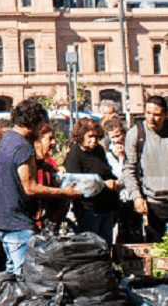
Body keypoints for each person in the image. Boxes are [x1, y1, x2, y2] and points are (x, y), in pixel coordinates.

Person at [0, 100, 80, 275]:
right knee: (25, 275)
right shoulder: (23, 146)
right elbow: (30, 188)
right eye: (41, 125)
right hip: (18, 224)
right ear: (33, 122)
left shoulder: (9, 138)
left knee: (12, 275)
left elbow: (16, 168)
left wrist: (41, 165)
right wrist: (64, 192)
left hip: (3, 219)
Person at [64, 117, 122, 245]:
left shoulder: (98, 151)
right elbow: (77, 184)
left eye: (96, 136)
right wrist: (103, 185)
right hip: (89, 211)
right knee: (93, 247)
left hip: (106, 208)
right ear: (81, 136)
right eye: (90, 136)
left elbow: (106, 172)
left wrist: (115, 182)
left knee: (106, 246)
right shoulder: (74, 155)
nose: (94, 140)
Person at [123, 96, 168, 241]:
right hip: (153, 202)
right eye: (148, 113)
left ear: (166, 114)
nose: (151, 118)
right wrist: (136, 196)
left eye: (157, 114)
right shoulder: (136, 134)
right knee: (157, 250)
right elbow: (129, 169)